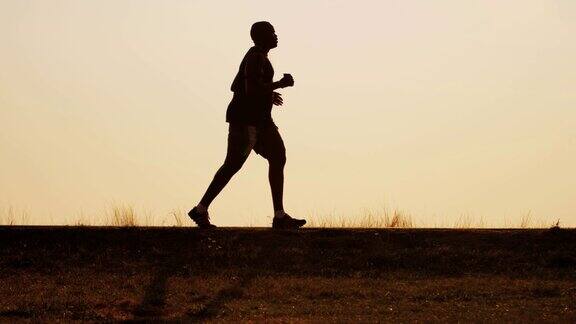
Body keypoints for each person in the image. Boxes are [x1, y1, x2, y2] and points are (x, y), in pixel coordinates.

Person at [188, 21, 306, 230]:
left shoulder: (258, 57)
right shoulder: (254, 57)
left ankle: (279, 216)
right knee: (232, 165)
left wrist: (269, 93)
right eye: (271, 32)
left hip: (260, 121)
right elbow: (250, 90)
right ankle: (200, 209)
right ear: (261, 37)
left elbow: (237, 86)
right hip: (246, 120)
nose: (276, 36)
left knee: (278, 156)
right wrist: (279, 84)